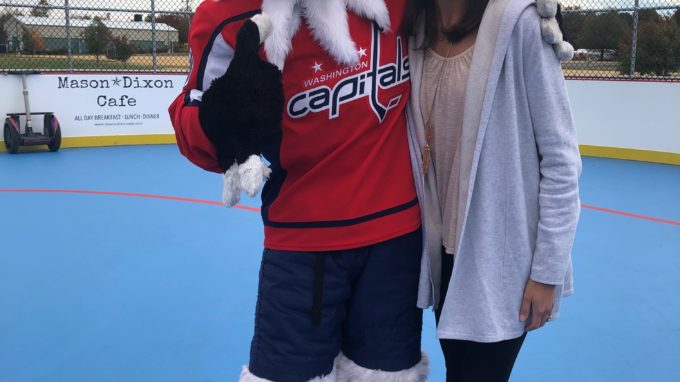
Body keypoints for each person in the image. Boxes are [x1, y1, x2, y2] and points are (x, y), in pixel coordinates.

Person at [169, 1, 428, 381]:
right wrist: (222, 118)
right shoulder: (230, 13)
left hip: (396, 242)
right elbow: (191, 125)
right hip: (301, 246)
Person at [402, 0, 581, 381]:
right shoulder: (416, 31)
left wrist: (547, 272)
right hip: (442, 258)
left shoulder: (520, 25)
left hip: (500, 264)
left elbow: (561, 158)